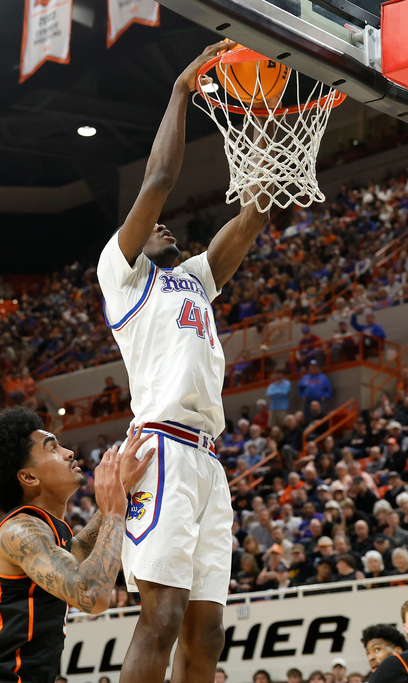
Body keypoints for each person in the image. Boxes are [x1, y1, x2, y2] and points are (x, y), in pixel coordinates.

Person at [95, 41, 270, 683]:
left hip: (207, 461)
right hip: (161, 451)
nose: (168, 229)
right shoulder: (121, 276)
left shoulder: (193, 279)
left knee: (207, 631)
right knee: (161, 618)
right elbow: (160, 183)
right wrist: (181, 92)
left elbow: (252, 219)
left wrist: (274, 140)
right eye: (156, 229)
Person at [0, 408, 153, 683]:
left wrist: (120, 487)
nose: (68, 452)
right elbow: (92, 595)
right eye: (53, 448)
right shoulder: (20, 531)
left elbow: (81, 551)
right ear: (29, 477)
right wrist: (113, 513)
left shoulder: (46, 529)